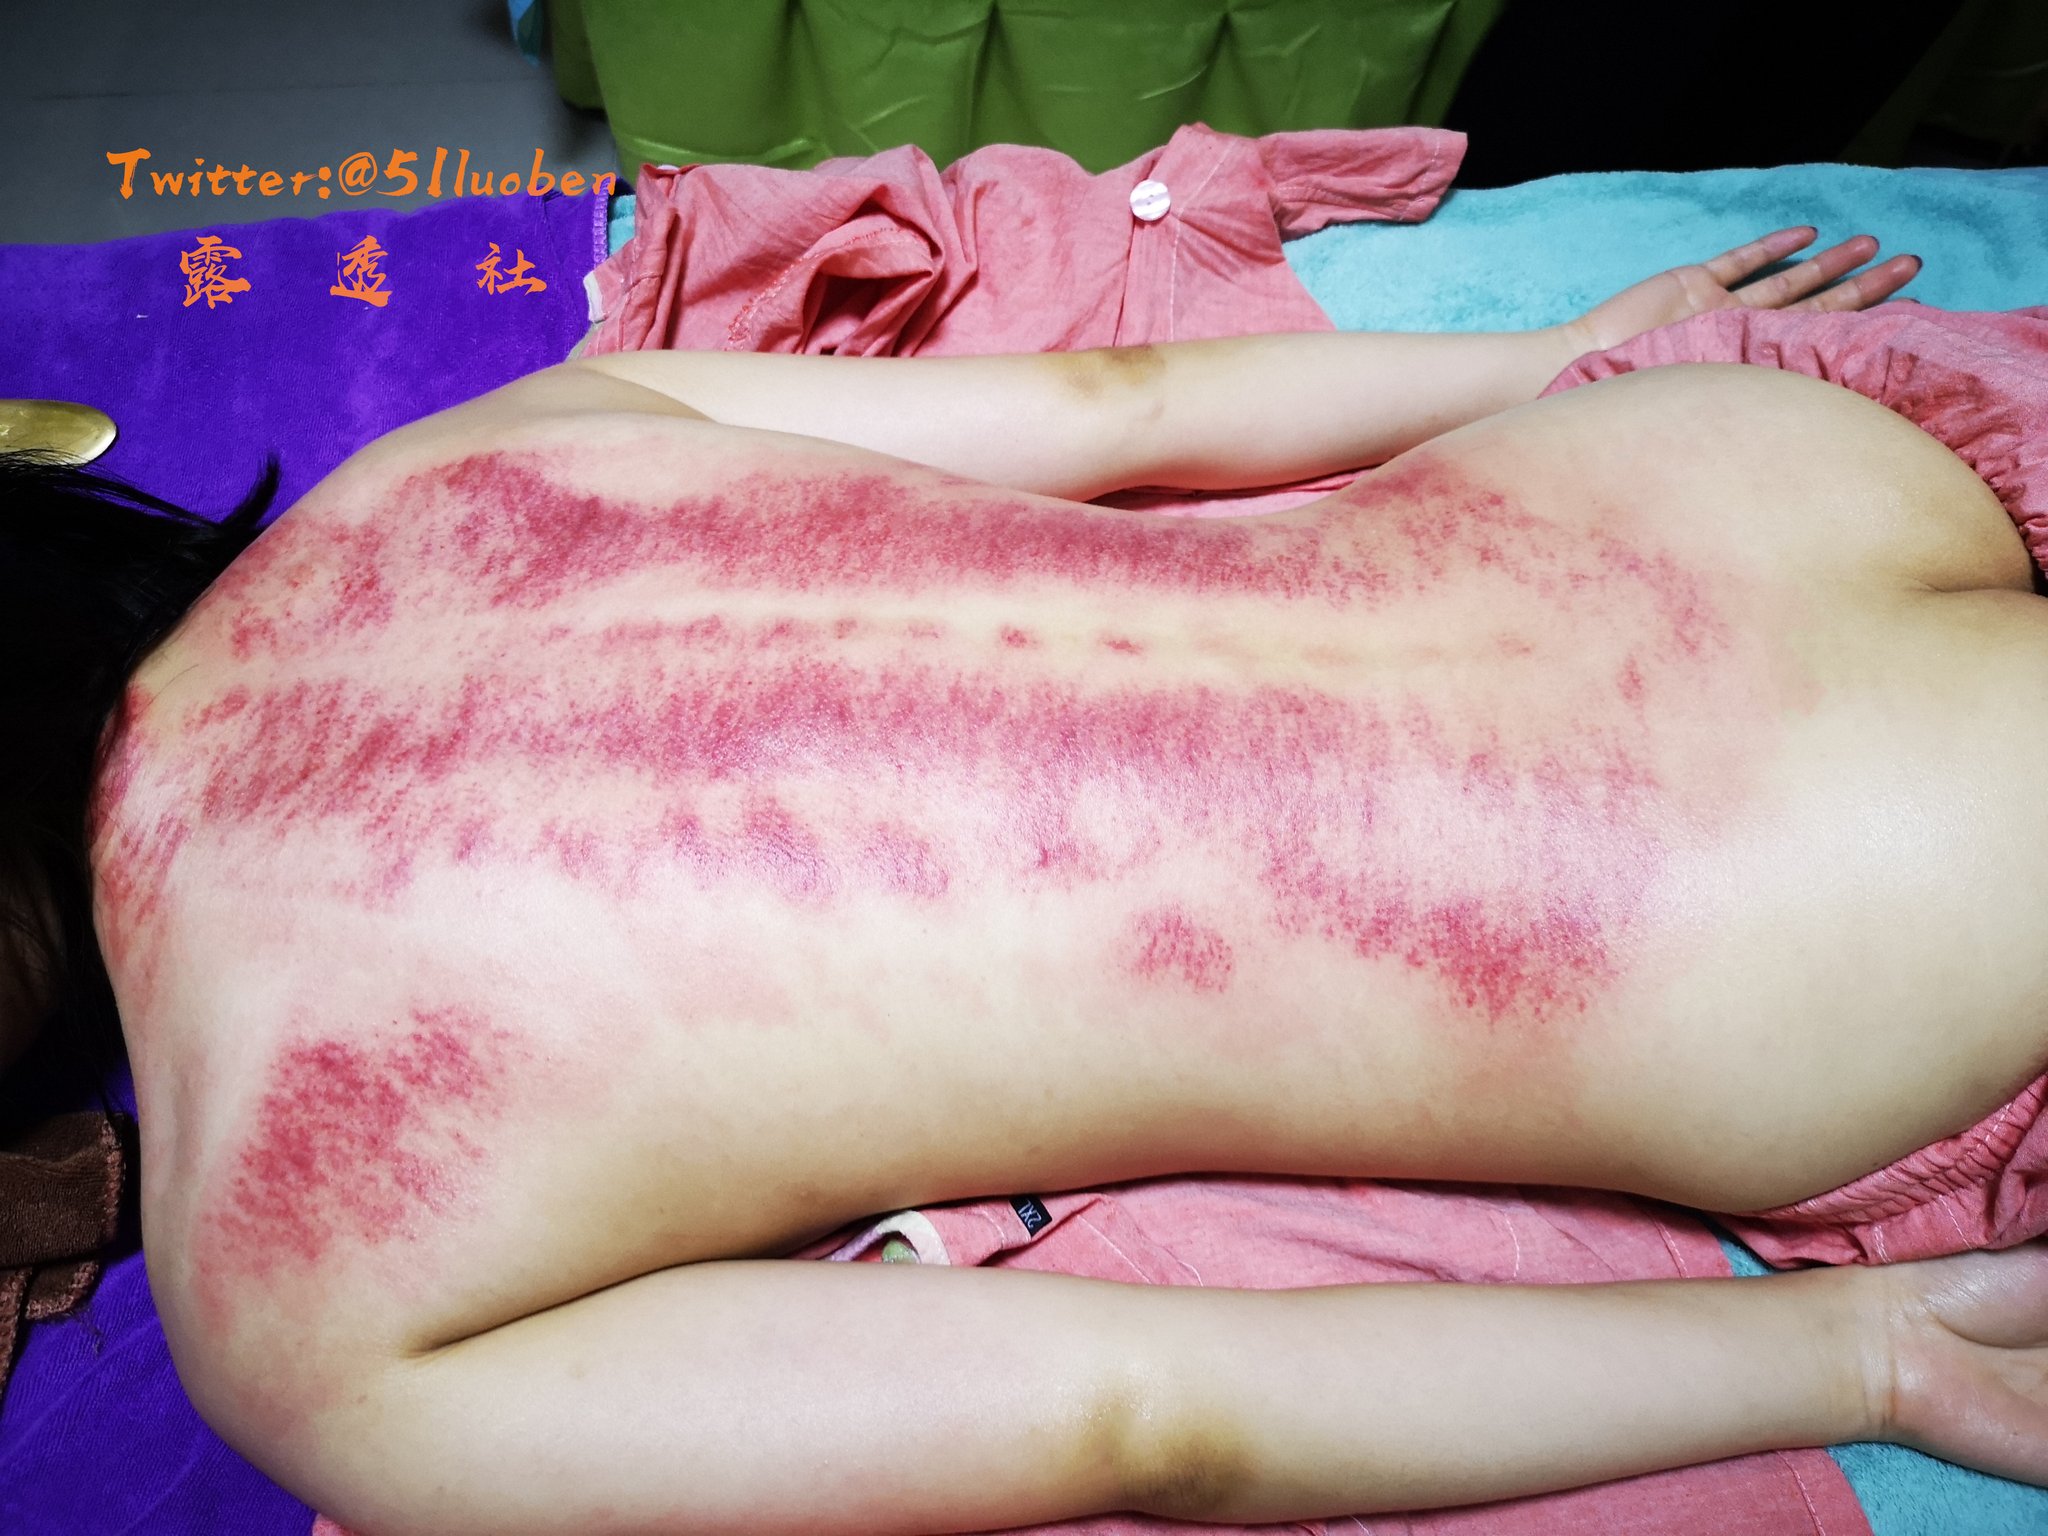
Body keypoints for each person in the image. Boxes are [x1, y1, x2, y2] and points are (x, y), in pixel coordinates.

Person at [8, 224, 2048, 1534]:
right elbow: (1120, 409)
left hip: (1802, 938)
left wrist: (1866, 1355)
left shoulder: (299, 1307)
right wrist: (1569, 350)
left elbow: (1143, 1412)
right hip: (1727, 484)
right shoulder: (436, 465)